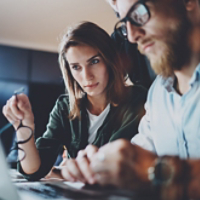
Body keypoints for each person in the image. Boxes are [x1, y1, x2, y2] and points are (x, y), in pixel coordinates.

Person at [67, 0, 200, 199]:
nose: (131, 36)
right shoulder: (157, 94)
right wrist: (100, 165)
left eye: (139, 13)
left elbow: (148, 168)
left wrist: (160, 172)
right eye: (125, 22)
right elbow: (139, 157)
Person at [2, 21, 147, 182]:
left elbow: (107, 163)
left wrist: (62, 172)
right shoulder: (65, 107)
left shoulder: (135, 99)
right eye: (76, 67)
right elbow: (33, 171)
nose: (87, 76)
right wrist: (24, 127)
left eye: (94, 61)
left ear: (109, 61)